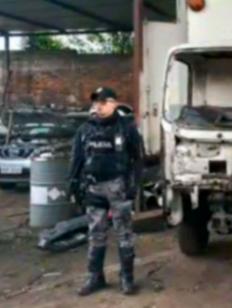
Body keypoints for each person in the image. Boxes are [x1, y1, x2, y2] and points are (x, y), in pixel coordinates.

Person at [68, 87, 143, 296]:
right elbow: (76, 160)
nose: (99, 107)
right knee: (96, 233)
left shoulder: (126, 129)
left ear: (114, 104)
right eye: (96, 103)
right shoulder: (84, 130)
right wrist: (72, 185)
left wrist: (134, 186)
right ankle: (95, 277)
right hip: (94, 188)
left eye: (103, 102)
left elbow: (138, 159)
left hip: (119, 187)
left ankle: (126, 278)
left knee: (124, 234)